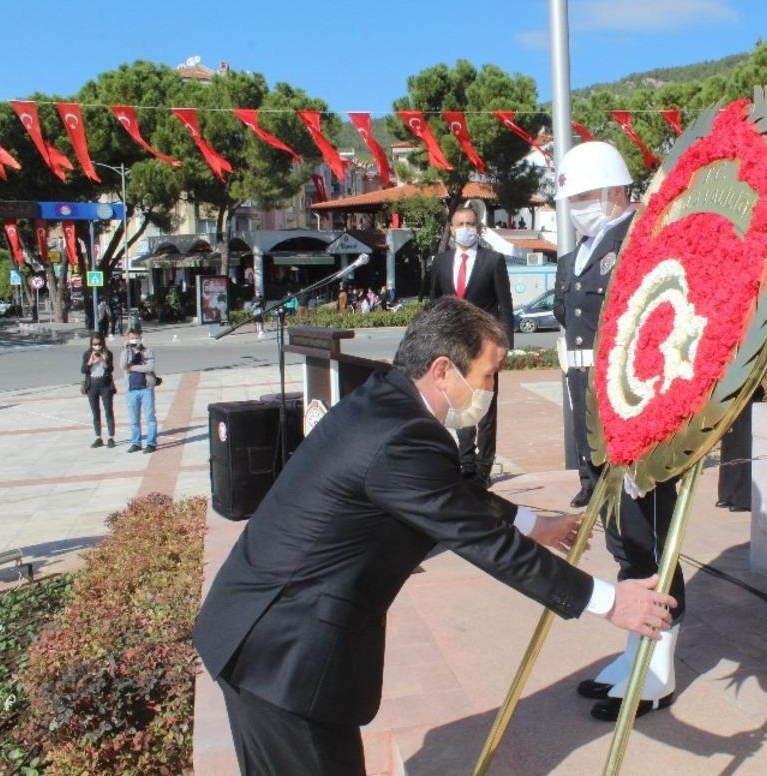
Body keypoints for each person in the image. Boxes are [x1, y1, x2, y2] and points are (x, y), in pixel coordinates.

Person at [192, 297, 675, 776]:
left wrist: (533, 524)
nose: (491, 389)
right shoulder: (403, 436)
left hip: (260, 634)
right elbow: (484, 544)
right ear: (443, 370)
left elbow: (447, 496)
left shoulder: (385, 399)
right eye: (488, 374)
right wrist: (609, 601)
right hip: (283, 657)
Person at [552, 141, 683, 721]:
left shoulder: (640, 239)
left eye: (585, 196)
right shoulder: (576, 253)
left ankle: (660, 661)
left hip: (633, 411)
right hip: (589, 411)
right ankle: (635, 647)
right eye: (572, 198)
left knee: (651, 534)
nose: (578, 207)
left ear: (614, 190)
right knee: (620, 537)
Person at [428, 206, 514, 488]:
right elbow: (434, 306)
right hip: (453, 348)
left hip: (486, 348)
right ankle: (466, 463)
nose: (466, 228)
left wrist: (505, 345)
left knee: (486, 409)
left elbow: (505, 306)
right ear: (451, 229)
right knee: (460, 404)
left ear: (478, 228)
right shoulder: (440, 262)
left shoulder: (493, 261)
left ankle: (483, 468)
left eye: (471, 223)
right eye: (460, 223)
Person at [120, 326, 158, 454]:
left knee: (150, 417)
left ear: (141, 338)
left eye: (136, 338)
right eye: (132, 338)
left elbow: (149, 367)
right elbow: (122, 366)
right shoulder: (126, 351)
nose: (134, 340)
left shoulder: (147, 351)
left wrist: (133, 367)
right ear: (127, 339)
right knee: (134, 419)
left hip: (146, 388)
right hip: (131, 390)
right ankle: (136, 443)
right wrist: (126, 350)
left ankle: (151, 443)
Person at [81, 333, 116, 448]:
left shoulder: (108, 353)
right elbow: (83, 370)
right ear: (91, 344)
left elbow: (110, 369)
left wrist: (103, 361)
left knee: (108, 410)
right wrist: (90, 361)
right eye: (94, 344)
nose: (97, 346)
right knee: (95, 412)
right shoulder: (87, 354)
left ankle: (111, 437)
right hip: (92, 386)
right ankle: (98, 437)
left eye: (99, 344)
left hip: (105, 385)